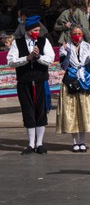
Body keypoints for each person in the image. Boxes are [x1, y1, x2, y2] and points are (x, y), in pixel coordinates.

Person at [7, 15, 55, 155]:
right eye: (35, 30)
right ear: (28, 30)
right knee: (28, 111)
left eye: (38, 30)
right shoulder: (18, 42)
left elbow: (50, 59)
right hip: (24, 81)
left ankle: (39, 143)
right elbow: (11, 61)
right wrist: (27, 58)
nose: (37, 33)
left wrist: (38, 57)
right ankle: (30, 143)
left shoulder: (43, 41)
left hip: (40, 81)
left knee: (40, 111)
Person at [56, 25, 90, 152]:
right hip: (70, 81)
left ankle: (82, 141)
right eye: (74, 33)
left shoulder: (87, 46)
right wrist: (68, 54)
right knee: (72, 112)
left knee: (83, 111)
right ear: (70, 34)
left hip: (84, 81)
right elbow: (64, 67)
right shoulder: (65, 48)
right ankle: (74, 142)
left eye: (79, 33)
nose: (77, 35)